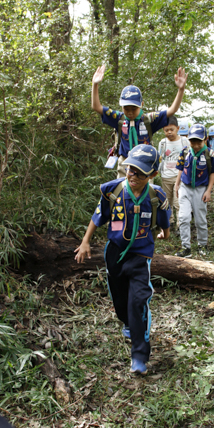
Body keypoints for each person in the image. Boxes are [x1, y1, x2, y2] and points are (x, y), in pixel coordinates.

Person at [75, 145, 171, 375]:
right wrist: (86, 241)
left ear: (152, 175)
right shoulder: (114, 191)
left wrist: (164, 234)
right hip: (115, 253)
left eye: (140, 172)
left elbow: (165, 222)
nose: (133, 175)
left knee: (138, 301)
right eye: (130, 169)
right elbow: (98, 216)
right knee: (119, 299)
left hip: (141, 255)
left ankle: (139, 356)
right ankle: (127, 322)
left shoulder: (156, 196)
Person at [91, 65, 188, 177]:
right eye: (126, 108)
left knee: (146, 193)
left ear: (141, 105)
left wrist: (181, 89)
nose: (130, 112)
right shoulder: (119, 118)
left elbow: (172, 110)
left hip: (145, 163)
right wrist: (95, 84)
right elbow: (96, 106)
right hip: (125, 162)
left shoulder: (149, 119)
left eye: (134, 108)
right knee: (123, 191)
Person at [174, 124, 214, 258]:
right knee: (183, 218)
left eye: (198, 141)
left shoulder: (210, 154)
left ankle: (202, 245)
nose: (195, 144)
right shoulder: (185, 151)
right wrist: (177, 185)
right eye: (192, 141)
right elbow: (181, 168)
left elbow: (213, 173)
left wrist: (208, 191)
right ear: (188, 138)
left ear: (205, 139)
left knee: (200, 220)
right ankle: (186, 247)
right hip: (185, 187)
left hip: (200, 190)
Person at [158, 116, 188, 235]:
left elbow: (188, 158)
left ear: (177, 128)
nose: (169, 132)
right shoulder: (163, 143)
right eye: (166, 130)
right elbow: (160, 158)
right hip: (166, 176)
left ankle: (180, 225)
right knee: (167, 202)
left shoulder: (184, 142)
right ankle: (168, 223)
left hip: (180, 177)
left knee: (178, 202)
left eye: (171, 129)